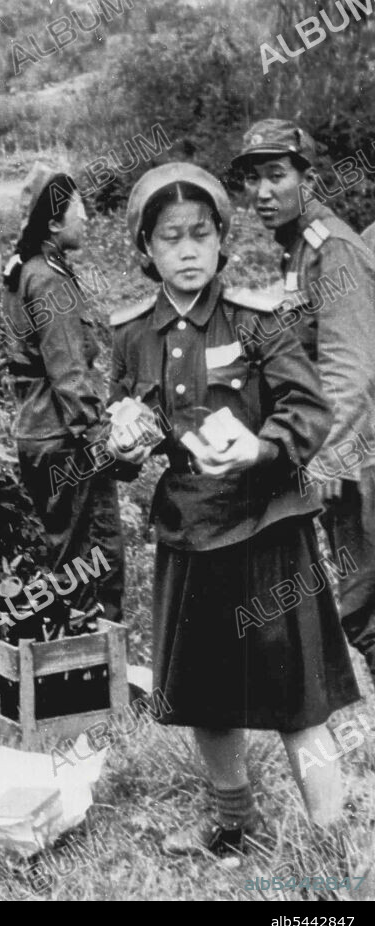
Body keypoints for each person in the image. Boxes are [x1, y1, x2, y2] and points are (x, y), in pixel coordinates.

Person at [107, 162, 359, 859]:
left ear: (222, 239)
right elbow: (129, 428)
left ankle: (333, 835)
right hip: (191, 528)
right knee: (202, 690)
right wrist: (125, 445)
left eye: (200, 234)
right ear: (146, 249)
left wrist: (260, 447)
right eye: (169, 238)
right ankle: (232, 819)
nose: (187, 251)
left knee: (296, 694)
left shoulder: (257, 319)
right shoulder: (132, 334)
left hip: (268, 525)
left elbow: (309, 410)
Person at [233, 118, 375, 689]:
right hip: (346, 449)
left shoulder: (331, 247)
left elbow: (349, 366)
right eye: (252, 179)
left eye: (276, 176)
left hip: (359, 453)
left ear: (308, 179)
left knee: (366, 605)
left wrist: (334, 457)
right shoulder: (296, 248)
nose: (262, 193)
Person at [0, 161, 124, 621]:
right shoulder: (49, 278)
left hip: (39, 435)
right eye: (79, 207)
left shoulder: (25, 269)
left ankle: (70, 670)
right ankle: (94, 672)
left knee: (67, 559)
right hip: (66, 440)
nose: (87, 216)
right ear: (53, 222)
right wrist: (102, 441)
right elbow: (69, 374)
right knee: (95, 559)